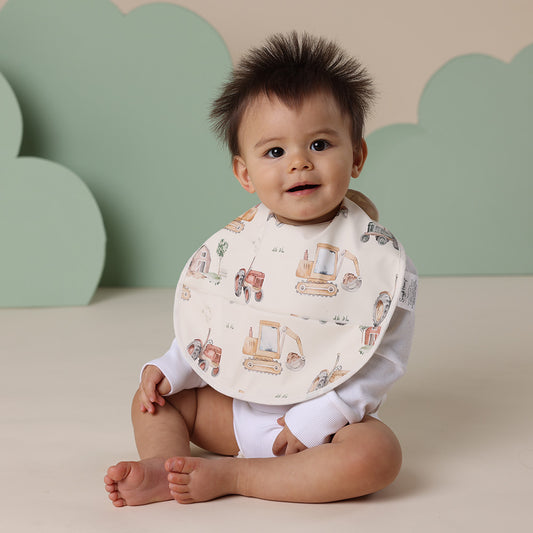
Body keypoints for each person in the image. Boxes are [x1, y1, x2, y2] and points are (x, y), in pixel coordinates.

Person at [105, 31, 417, 506]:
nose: (299, 163)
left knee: (377, 455)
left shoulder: (377, 258)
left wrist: (325, 414)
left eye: (319, 144)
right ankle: (164, 467)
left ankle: (235, 477)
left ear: (356, 155)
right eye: (275, 152)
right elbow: (216, 315)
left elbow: (385, 358)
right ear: (244, 173)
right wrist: (174, 366)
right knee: (155, 400)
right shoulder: (239, 245)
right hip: (230, 412)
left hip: (319, 430)